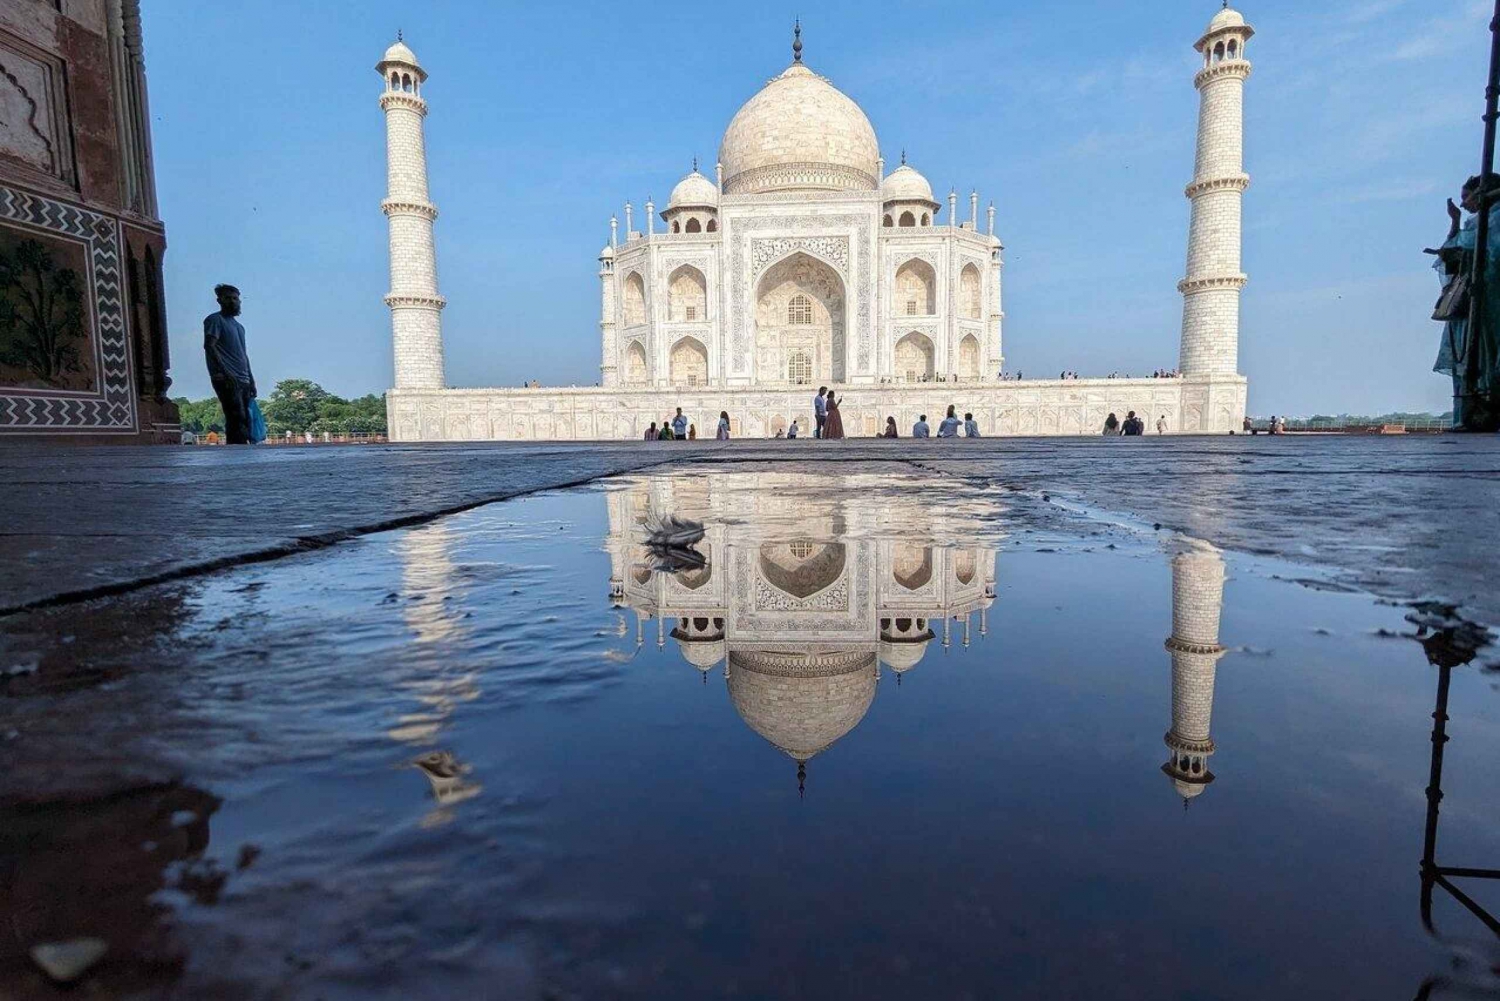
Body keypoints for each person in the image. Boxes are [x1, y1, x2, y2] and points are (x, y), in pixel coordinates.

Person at [1430, 175, 1500, 430]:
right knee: (1468, 355)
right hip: (1471, 304)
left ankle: (1483, 411)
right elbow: (1451, 252)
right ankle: (1470, 412)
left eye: (1466, 197)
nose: (1463, 204)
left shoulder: (1492, 222)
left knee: (1481, 355)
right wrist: (1455, 224)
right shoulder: (1476, 225)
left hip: (1488, 303)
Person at [203, 284, 257, 444]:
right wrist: (226, 372)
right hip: (225, 377)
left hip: (243, 378)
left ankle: (241, 450)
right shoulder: (214, 320)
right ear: (219, 300)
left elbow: (243, 354)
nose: (233, 302)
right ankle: (236, 451)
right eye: (228, 298)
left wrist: (252, 380)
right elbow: (210, 346)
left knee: (245, 417)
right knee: (235, 415)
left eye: (235, 298)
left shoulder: (239, 327)